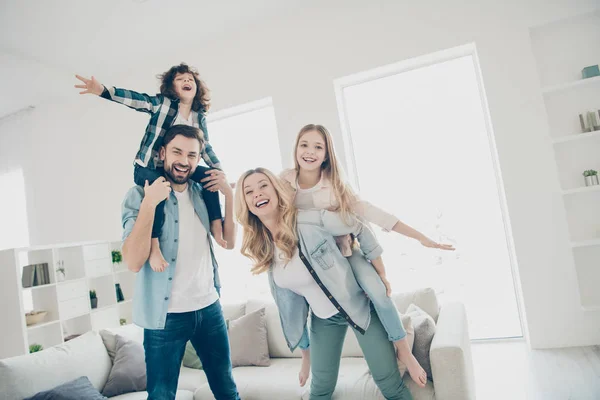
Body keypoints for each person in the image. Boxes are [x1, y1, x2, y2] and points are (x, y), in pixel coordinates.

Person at [280, 124, 455, 387]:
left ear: (327, 155)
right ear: (296, 148)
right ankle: (306, 356)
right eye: (304, 144)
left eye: (318, 147)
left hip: (346, 254)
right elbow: (258, 194)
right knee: (294, 303)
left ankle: (403, 350)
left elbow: (372, 215)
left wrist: (420, 237)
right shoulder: (284, 180)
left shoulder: (335, 185)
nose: (310, 152)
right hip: (312, 263)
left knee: (379, 294)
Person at [236, 167, 413, 400]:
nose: (257, 194)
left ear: (276, 190)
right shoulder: (264, 248)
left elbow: (357, 225)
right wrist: (306, 357)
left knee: (390, 386)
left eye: (263, 186)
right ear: (246, 204)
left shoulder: (309, 220)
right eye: (249, 192)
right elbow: (291, 309)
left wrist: (380, 272)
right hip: (323, 319)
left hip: (359, 308)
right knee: (319, 392)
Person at [121, 124, 239, 400]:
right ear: (162, 153)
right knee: (161, 396)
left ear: (198, 159)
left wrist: (229, 195)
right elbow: (133, 262)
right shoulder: (138, 195)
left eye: (191, 155)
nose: (184, 161)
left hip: (209, 309)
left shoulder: (202, 191)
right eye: (177, 152)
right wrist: (150, 204)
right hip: (165, 319)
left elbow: (228, 242)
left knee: (227, 390)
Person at [75, 63, 227, 275]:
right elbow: (136, 99)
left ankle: (217, 228)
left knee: (211, 177)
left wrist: (220, 171)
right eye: (181, 79)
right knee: (159, 191)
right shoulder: (163, 104)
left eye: (190, 79)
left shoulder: (198, 116)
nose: (187, 81)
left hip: (176, 168)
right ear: (171, 87)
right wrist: (103, 90)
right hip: (149, 168)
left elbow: (205, 147)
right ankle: (154, 246)